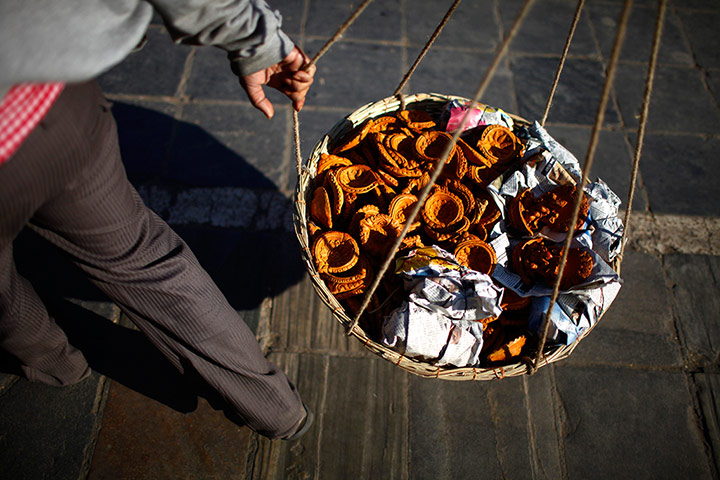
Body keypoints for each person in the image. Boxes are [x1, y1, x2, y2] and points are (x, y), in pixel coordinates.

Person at [0, 0, 316, 441]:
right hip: (57, 100)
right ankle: (275, 407)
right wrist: (257, 42)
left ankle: (51, 360)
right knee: (143, 258)